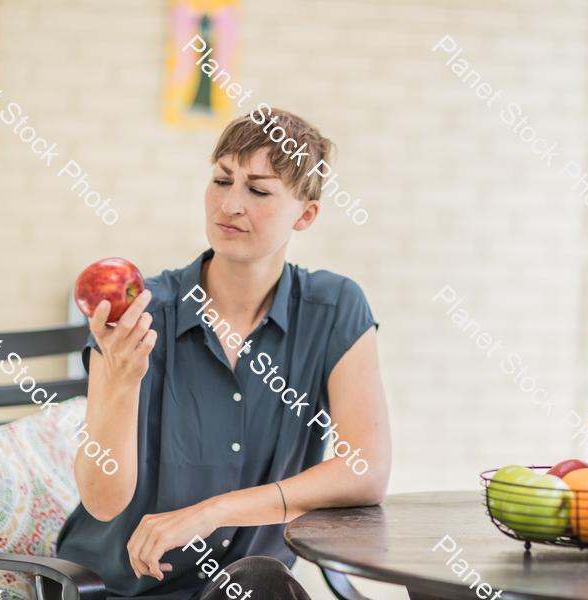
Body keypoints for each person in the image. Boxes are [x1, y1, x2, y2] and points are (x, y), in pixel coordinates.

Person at [56, 108, 392, 600]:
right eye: (221, 180)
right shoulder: (142, 311)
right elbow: (104, 503)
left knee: (261, 580)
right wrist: (122, 380)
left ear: (305, 214)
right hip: (120, 590)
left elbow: (366, 471)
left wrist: (212, 512)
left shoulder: (334, 308)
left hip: (249, 589)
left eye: (257, 190)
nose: (229, 204)